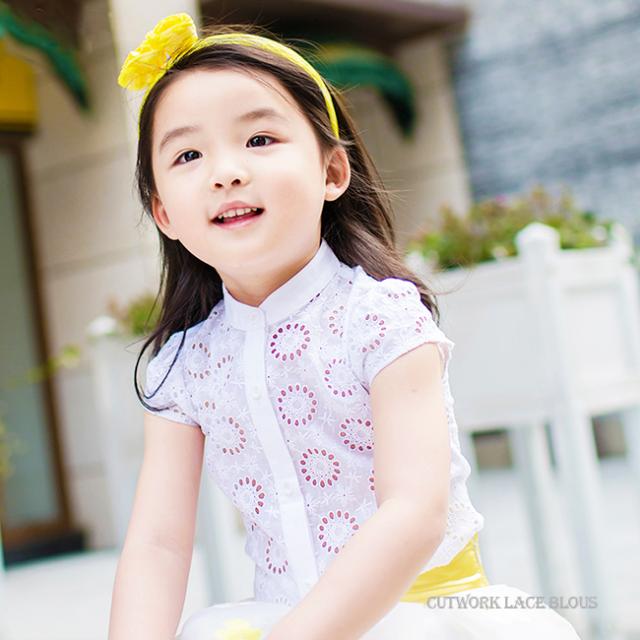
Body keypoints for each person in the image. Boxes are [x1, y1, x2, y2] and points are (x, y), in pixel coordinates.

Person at [107, 13, 583, 640]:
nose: (226, 172)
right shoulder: (183, 366)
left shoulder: (379, 319)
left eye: (259, 139)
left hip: (417, 616)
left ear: (332, 172)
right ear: (164, 213)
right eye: (189, 154)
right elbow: (158, 543)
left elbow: (414, 511)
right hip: (280, 615)